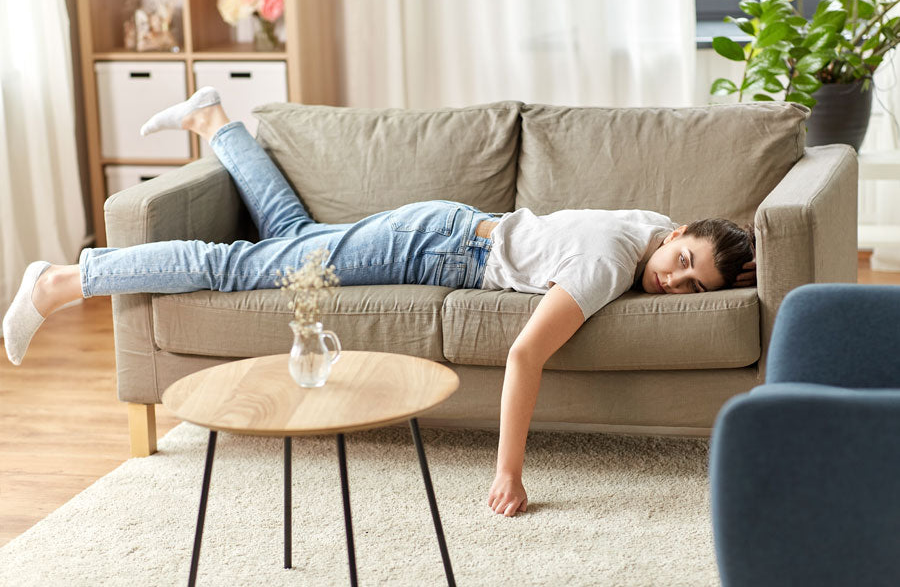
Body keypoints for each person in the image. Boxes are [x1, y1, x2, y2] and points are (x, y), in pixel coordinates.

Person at [1, 87, 756, 517]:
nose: (675, 283)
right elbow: (527, 351)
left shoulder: (648, 225)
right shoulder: (604, 263)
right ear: (677, 232)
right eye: (684, 262)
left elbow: (683, 259)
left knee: (291, 241)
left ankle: (215, 123)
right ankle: (61, 281)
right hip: (432, 247)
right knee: (239, 267)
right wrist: (509, 471)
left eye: (694, 286)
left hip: (443, 227)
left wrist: (723, 266)